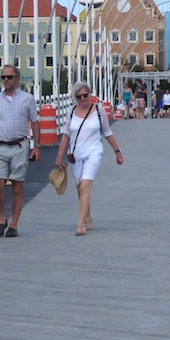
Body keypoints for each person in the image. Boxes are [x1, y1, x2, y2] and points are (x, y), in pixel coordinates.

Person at [0, 67, 41, 238]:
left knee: (17, 187)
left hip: (19, 146)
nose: (5, 80)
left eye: (9, 77)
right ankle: (1, 219)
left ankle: (13, 225)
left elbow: (34, 123)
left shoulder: (27, 99)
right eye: (3, 77)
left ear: (17, 78)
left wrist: (36, 146)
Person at [54, 81, 123, 235]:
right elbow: (66, 135)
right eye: (79, 96)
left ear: (90, 94)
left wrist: (117, 151)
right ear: (75, 97)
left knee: (85, 185)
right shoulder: (71, 111)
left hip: (93, 151)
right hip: (75, 154)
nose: (83, 98)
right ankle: (88, 217)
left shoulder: (98, 110)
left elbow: (107, 132)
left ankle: (80, 224)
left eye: (85, 95)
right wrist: (59, 156)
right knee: (80, 188)